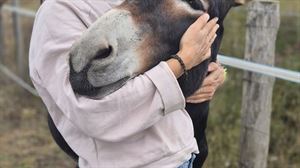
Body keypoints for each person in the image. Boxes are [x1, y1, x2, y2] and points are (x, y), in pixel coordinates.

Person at [29, 0, 225, 167]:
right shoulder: (55, 13)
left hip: (182, 154)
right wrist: (181, 63)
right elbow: (91, 113)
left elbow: (172, 46)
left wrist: (209, 70)